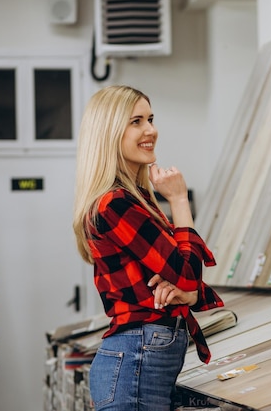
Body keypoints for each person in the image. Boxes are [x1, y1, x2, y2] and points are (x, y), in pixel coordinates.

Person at [72, 85, 223, 410]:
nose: (151, 130)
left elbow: (185, 278)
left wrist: (191, 291)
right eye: (136, 121)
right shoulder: (114, 203)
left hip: (138, 357)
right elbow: (186, 275)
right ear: (109, 132)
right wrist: (180, 200)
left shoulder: (133, 199)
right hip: (135, 359)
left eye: (151, 119)